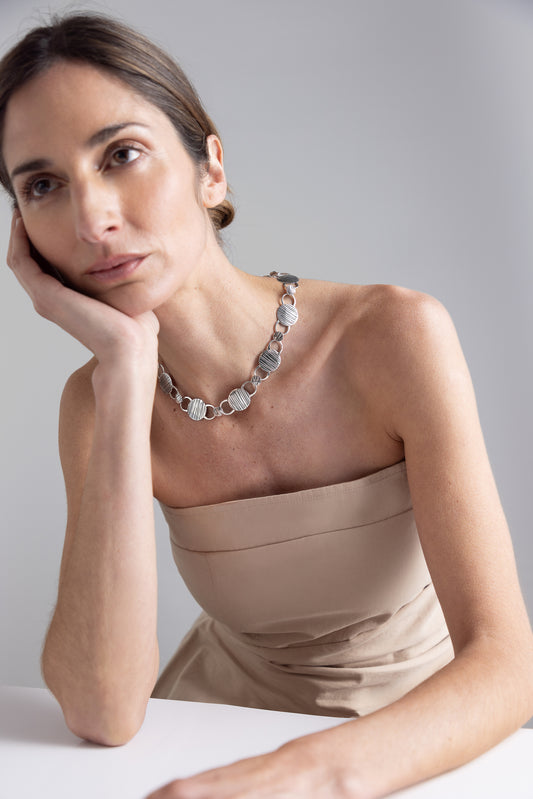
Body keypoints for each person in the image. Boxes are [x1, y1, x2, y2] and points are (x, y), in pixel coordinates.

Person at [1, 11, 532, 798]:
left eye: (122, 154)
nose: (92, 219)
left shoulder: (392, 336)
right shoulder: (99, 399)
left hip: (411, 740)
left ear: (210, 171)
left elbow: (506, 664)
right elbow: (101, 709)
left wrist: (295, 777)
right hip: (209, 726)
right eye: (43, 185)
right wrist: (123, 367)